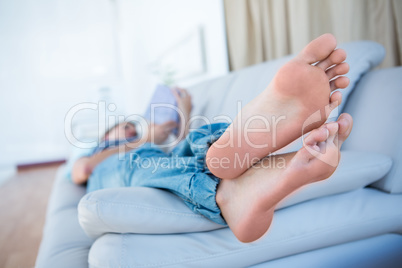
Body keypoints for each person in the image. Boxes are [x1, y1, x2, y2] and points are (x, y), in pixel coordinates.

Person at [71, 33, 353, 243]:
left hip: (160, 157)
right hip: (128, 167)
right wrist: (136, 140)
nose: (132, 131)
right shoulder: (98, 152)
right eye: (125, 128)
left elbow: (173, 150)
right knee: (146, 165)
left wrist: (184, 112)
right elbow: (82, 171)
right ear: (107, 135)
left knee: (191, 143)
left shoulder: (145, 144)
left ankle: (231, 180)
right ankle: (230, 189)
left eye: (133, 128)